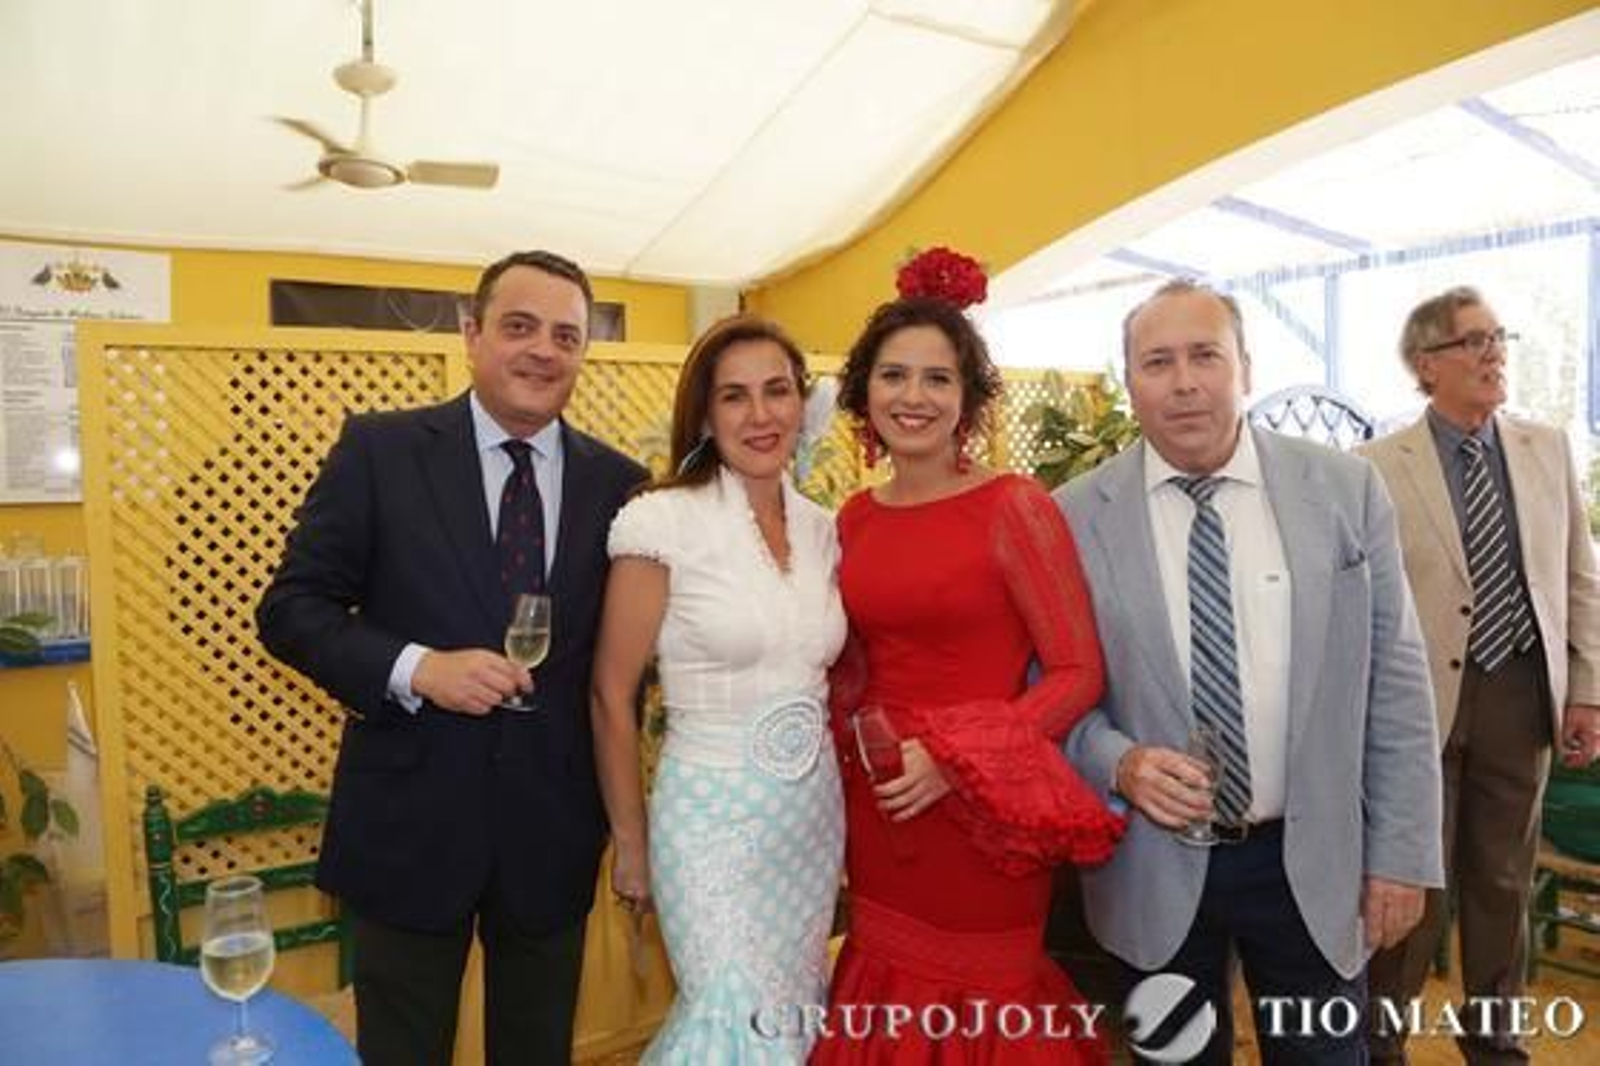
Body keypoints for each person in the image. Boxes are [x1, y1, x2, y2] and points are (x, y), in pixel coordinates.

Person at [256, 250, 647, 1066]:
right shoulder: (379, 451)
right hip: (408, 833)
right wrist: (416, 668)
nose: (543, 349)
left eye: (566, 335)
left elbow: (625, 661)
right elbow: (291, 610)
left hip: (552, 837)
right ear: (471, 335)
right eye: (519, 326)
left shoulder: (621, 486)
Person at [1058, 279, 1443, 1063]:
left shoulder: (1343, 490)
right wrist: (1118, 764)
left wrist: (1400, 857)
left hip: (1314, 865)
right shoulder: (1070, 517)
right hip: (1151, 872)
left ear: (1246, 367)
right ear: (1129, 381)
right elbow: (1051, 695)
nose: (1185, 380)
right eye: (1157, 361)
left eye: (1206, 355)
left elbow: (1397, 683)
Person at [812, 293, 1124, 1065]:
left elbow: (1078, 671)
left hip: (982, 812)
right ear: (863, 394)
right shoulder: (853, 517)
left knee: (986, 990)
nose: (913, 397)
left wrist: (956, 761)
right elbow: (850, 668)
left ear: (968, 401)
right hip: (882, 805)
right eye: (893, 376)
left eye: (937, 379)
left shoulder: (1014, 507)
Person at [590, 314, 847, 1063]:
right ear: (704, 412)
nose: (760, 415)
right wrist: (630, 842)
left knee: (792, 1022)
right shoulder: (659, 520)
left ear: (802, 402)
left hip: (810, 823)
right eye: (734, 397)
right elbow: (611, 695)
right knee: (730, 1022)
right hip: (708, 831)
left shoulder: (825, 527)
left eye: (777, 391)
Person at [1358, 286, 1600, 1063]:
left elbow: (1578, 578)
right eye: (1474, 341)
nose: (1494, 353)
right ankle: (1379, 1043)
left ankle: (1496, 1045)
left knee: (1502, 888)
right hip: (1415, 706)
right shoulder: (1373, 467)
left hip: (1521, 696)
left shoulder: (1545, 448)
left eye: (1499, 338)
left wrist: (1587, 688)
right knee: (1412, 893)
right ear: (1426, 365)